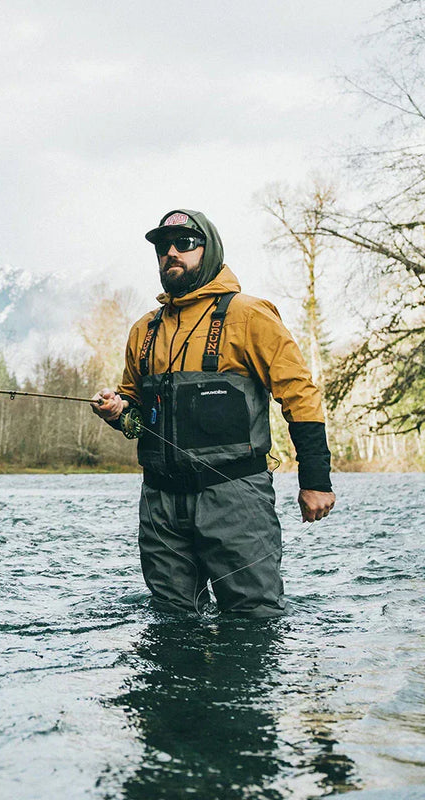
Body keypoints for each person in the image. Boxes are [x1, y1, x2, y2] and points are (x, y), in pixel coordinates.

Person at [91, 209, 335, 617]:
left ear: (210, 250)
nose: (171, 252)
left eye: (185, 243)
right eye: (163, 246)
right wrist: (118, 410)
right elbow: (134, 409)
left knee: (254, 617)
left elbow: (300, 395)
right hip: (160, 504)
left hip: (235, 497)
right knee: (170, 619)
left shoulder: (250, 314)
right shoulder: (143, 330)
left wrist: (316, 480)